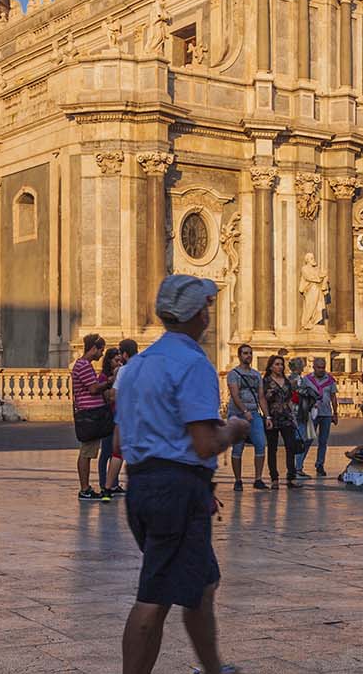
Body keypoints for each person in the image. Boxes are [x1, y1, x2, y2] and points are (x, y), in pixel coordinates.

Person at [114, 274, 240, 674]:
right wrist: (235, 429)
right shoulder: (192, 363)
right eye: (206, 306)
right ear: (198, 314)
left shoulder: (136, 367)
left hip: (143, 486)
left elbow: (119, 439)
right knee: (154, 598)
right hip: (177, 491)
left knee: (202, 587)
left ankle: (213, 668)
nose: (208, 313)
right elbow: (205, 442)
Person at [72, 333, 113, 501]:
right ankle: (85, 488)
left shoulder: (83, 365)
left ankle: (86, 487)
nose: (102, 354)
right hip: (89, 415)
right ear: (94, 348)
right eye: (101, 350)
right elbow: (93, 389)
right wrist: (108, 383)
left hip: (90, 414)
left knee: (88, 451)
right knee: (86, 452)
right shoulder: (83, 365)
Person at [224, 343, 267, 491]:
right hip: (237, 414)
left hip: (254, 413)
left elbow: (261, 396)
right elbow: (235, 395)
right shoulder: (233, 374)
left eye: (250, 353)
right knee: (238, 447)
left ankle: (258, 479)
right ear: (239, 356)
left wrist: (267, 416)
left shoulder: (256, 375)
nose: (248, 356)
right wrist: (244, 410)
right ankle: (238, 480)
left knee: (261, 444)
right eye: (245, 353)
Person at [259, 354, 300, 488]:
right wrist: (267, 417)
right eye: (276, 364)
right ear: (270, 366)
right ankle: (274, 478)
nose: (279, 367)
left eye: (281, 364)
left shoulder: (287, 381)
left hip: (286, 417)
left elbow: (289, 400)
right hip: (272, 417)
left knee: (290, 446)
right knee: (272, 448)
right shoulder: (265, 381)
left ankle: (291, 476)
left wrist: (293, 416)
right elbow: (263, 399)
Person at [97, 346, 128, 497]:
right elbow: (107, 397)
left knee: (115, 453)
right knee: (106, 453)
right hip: (108, 418)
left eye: (120, 360)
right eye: (116, 361)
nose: (119, 364)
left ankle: (113, 483)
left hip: (118, 416)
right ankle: (105, 484)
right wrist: (114, 380)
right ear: (109, 361)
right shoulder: (103, 378)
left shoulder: (122, 374)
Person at [304, 358, 338, 476]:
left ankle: (320, 464)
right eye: (319, 367)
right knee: (308, 439)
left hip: (326, 413)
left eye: (323, 367)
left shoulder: (330, 380)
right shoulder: (307, 380)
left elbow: (333, 396)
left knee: (323, 441)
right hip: (312, 413)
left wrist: (335, 412)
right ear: (313, 367)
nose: (321, 370)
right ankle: (299, 464)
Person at [286, 357, 315, 480]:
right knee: (301, 441)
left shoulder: (288, 379)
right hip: (299, 413)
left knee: (300, 440)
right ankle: (297, 469)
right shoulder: (299, 380)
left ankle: (296, 468)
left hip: (293, 413)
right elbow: (303, 393)